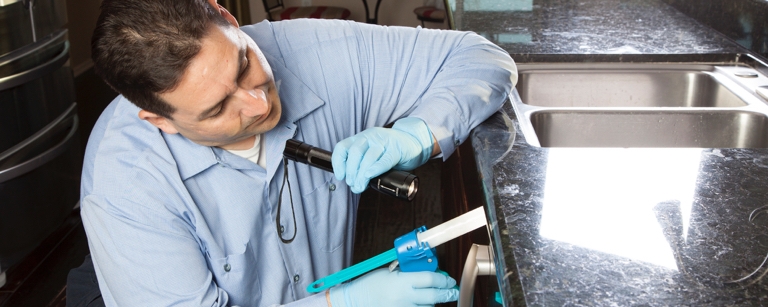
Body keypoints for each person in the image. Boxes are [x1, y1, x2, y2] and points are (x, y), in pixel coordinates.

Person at [69, 0, 517, 306]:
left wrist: (418, 133)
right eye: (219, 108)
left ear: (226, 16)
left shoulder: (312, 51)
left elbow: (481, 57)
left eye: (243, 65)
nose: (260, 103)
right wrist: (340, 303)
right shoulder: (125, 184)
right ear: (159, 120)